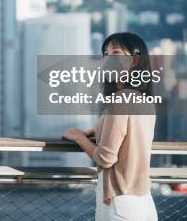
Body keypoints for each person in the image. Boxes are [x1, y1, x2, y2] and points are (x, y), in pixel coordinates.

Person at [62, 32, 157, 221]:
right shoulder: (146, 101)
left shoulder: (120, 101)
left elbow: (105, 158)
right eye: (105, 53)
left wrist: (78, 137)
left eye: (115, 52)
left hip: (120, 205)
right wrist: (97, 131)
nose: (108, 58)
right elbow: (129, 136)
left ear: (135, 60)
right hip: (144, 203)